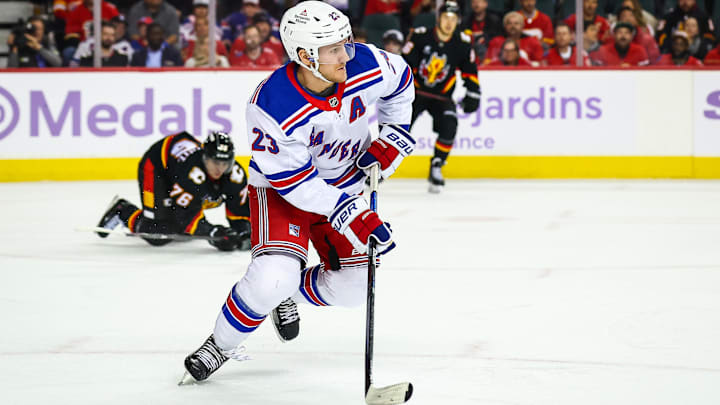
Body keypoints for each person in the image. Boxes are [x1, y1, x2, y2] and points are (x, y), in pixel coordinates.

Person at [180, 1, 414, 383]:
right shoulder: (273, 103)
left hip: (348, 181)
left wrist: (392, 136)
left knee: (353, 289)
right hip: (282, 192)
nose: (346, 54)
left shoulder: (366, 63)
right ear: (305, 56)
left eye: (346, 42)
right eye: (334, 49)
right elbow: (296, 183)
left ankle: (288, 294)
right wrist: (352, 212)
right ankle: (220, 344)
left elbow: (401, 82)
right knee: (272, 277)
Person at [97, 131, 251, 252]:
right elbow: (185, 215)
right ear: (204, 158)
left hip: (177, 170)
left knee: (180, 227)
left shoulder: (235, 175)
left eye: (225, 163)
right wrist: (213, 233)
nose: (220, 168)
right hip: (157, 168)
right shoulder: (192, 174)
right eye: (215, 162)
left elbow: (239, 209)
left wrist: (243, 232)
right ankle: (122, 211)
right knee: (157, 234)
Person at [403, 1, 480, 193]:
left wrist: (473, 92)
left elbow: (470, 71)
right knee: (398, 128)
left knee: (450, 124)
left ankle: (437, 165)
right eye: (445, 17)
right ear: (438, 18)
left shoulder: (462, 43)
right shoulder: (421, 36)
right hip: (416, 93)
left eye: (453, 19)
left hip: (442, 96)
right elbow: (404, 65)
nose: (449, 23)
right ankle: (381, 168)